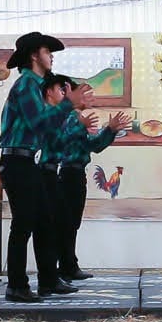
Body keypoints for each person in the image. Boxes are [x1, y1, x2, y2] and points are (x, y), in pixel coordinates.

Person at [0, 32, 92, 302]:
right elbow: (39, 123)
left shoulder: (35, 86)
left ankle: (48, 280)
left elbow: (47, 128)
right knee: (24, 223)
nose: (51, 56)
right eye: (47, 51)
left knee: (44, 221)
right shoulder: (26, 84)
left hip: (28, 160)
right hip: (17, 160)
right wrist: (67, 106)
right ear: (33, 55)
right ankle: (16, 285)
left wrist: (67, 110)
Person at [37, 74, 131, 281]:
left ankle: (68, 265)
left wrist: (110, 130)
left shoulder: (75, 116)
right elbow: (60, 141)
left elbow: (92, 146)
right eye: (84, 93)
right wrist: (81, 124)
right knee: (64, 222)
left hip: (76, 172)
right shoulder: (64, 116)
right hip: (65, 173)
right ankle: (63, 268)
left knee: (71, 222)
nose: (87, 97)